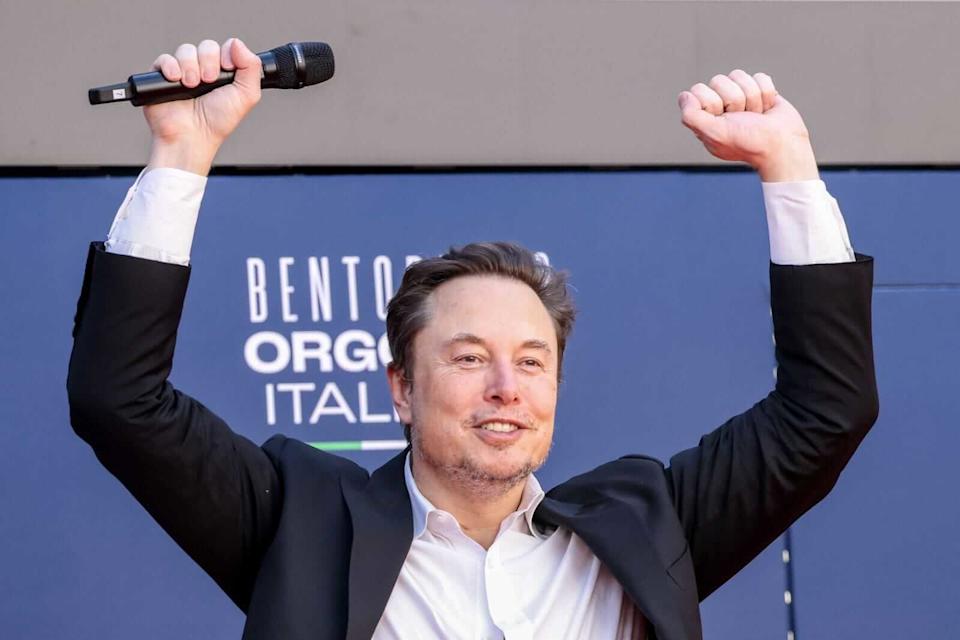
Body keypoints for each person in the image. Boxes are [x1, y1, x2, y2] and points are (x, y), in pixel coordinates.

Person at [67, 38, 878, 640]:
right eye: (467, 358)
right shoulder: (303, 526)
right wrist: (182, 153)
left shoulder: (648, 525)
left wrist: (789, 166)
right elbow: (120, 400)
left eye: (531, 361)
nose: (506, 388)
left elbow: (827, 411)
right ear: (401, 387)